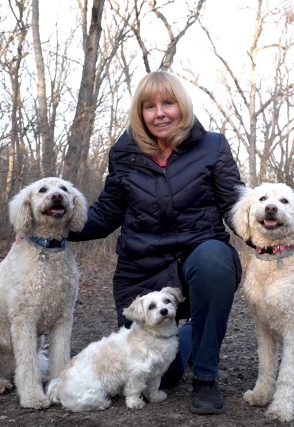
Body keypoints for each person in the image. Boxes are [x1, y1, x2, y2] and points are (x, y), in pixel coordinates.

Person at [67, 71, 244, 415]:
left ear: (182, 106)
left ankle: (206, 377)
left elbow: (234, 207)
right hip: (142, 271)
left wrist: (270, 232)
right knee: (162, 375)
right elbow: (105, 213)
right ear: (140, 112)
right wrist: (57, 224)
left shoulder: (213, 147)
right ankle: (190, 335)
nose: (160, 113)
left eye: (168, 103)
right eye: (150, 106)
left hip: (197, 257)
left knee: (214, 258)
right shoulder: (123, 153)